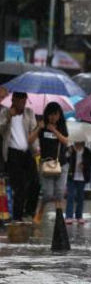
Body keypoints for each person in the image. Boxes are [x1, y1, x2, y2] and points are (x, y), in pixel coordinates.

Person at [0, 92, 38, 222]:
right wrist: (8, 117)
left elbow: (33, 130)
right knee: (19, 186)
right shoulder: (5, 112)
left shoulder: (29, 113)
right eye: (19, 102)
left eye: (24, 101)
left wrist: (37, 148)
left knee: (36, 183)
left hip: (27, 152)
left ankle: (29, 212)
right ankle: (17, 216)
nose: (22, 104)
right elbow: (1, 129)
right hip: (13, 153)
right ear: (13, 100)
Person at [31, 102, 69, 225]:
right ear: (47, 115)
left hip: (61, 164)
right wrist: (38, 127)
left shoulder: (62, 126)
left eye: (55, 115)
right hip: (45, 164)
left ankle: (59, 218)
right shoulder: (42, 126)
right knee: (47, 193)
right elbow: (29, 140)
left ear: (59, 115)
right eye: (51, 114)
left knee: (59, 192)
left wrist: (55, 131)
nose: (53, 117)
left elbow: (66, 141)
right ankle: (41, 210)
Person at [65, 142, 91, 224]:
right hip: (71, 176)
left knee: (80, 197)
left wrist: (84, 164)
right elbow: (65, 159)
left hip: (82, 177)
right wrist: (68, 153)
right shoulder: (71, 149)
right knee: (71, 196)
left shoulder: (87, 151)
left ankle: (79, 216)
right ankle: (69, 216)